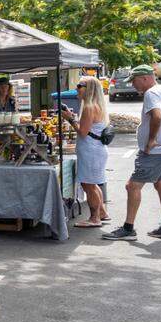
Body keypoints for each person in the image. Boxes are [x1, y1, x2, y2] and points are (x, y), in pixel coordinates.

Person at [104, 65, 161, 241]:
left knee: (132, 186)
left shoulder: (151, 93)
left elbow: (157, 116)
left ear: (144, 78)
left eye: (133, 81)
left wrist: (152, 139)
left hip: (155, 151)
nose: (133, 85)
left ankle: (128, 229)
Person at [60, 76, 110, 227]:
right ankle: (102, 212)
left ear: (88, 89)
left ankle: (95, 218)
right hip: (95, 149)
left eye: (79, 86)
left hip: (91, 150)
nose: (76, 89)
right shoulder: (95, 105)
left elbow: (82, 132)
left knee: (88, 185)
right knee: (93, 184)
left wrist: (69, 119)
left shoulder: (89, 107)